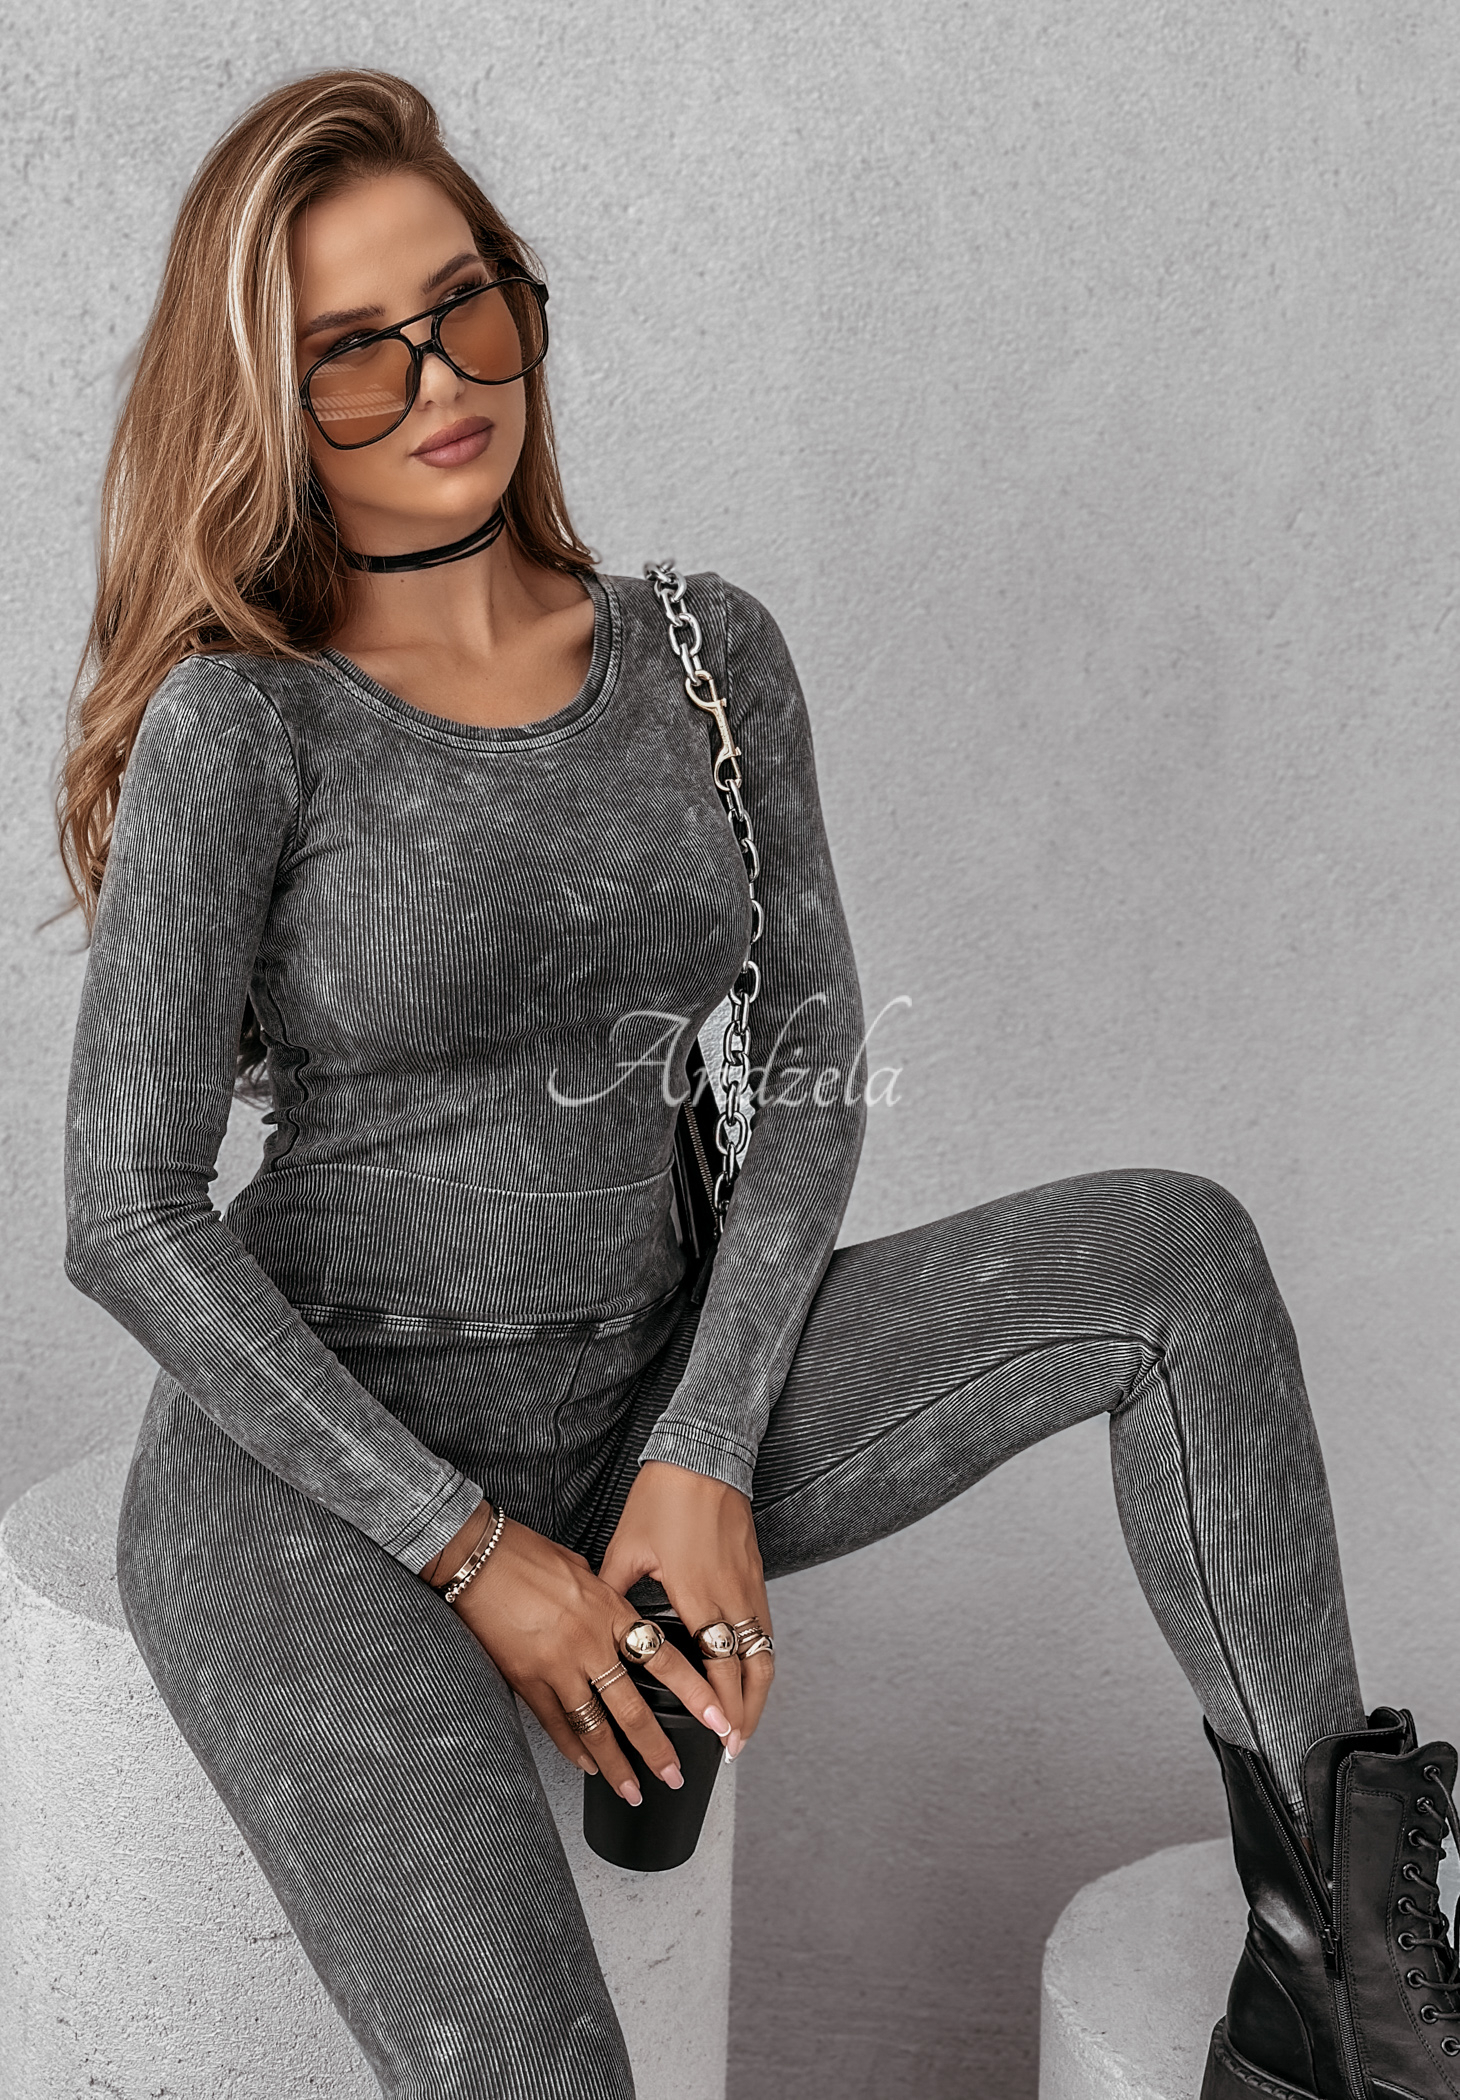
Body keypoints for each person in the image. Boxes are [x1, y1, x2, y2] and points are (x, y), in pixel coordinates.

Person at [56, 67, 1460, 2100]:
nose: (438, 381)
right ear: (268, 401)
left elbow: (805, 1062)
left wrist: (701, 1451)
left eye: (463, 305)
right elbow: (125, 1210)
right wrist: (477, 1556)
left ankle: (1329, 1963)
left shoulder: (703, 653)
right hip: (319, 1484)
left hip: (650, 1383)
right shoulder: (245, 723)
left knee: (1174, 1257)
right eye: (353, 351)